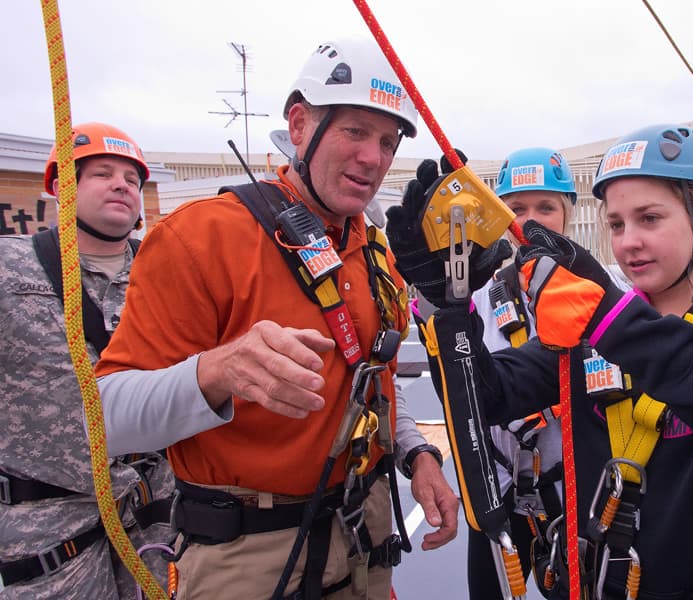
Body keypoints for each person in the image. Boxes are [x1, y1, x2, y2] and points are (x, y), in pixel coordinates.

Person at [93, 36, 459, 600]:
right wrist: (216, 372)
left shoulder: (373, 250)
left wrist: (417, 453)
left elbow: (371, 376)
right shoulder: (201, 237)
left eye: (387, 141)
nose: (373, 157)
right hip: (249, 556)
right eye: (355, 131)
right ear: (298, 125)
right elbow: (106, 419)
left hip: (365, 539)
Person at [387, 123, 693, 599]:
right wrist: (448, 309)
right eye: (617, 224)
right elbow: (487, 395)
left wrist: (612, 323)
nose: (627, 243)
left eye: (649, 219)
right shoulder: (586, 337)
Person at [0, 122, 174, 599]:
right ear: (61, 187)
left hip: (157, 519)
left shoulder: (166, 272)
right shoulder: (9, 268)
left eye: (132, 179)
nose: (122, 184)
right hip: (48, 528)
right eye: (102, 173)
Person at [467, 147, 575, 599]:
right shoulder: (479, 299)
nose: (530, 222)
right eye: (517, 209)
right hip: (500, 491)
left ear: (568, 214)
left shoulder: (607, 296)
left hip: (573, 494)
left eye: (545, 208)